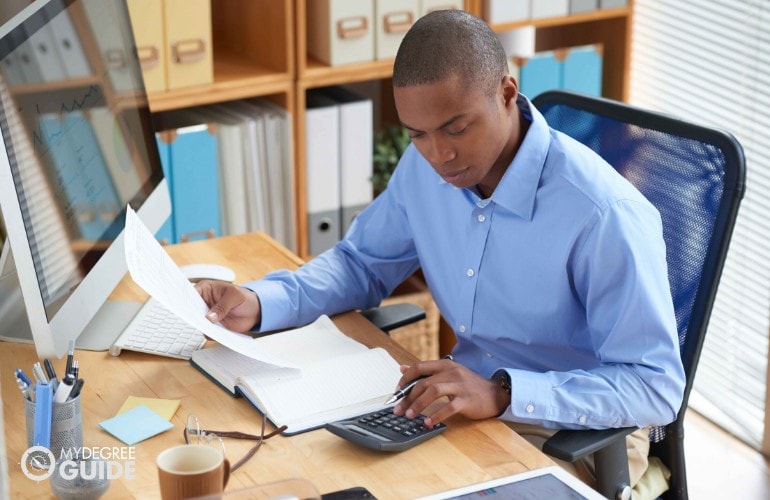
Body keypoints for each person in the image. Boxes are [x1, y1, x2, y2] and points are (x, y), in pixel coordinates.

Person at [196, 9, 685, 497]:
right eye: (418, 134)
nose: (438, 154)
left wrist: (504, 393)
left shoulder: (602, 214)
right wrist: (262, 302)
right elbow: (361, 263)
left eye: (455, 128)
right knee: (302, 475)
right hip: (462, 408)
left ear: (506, 93)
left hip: (572, 436)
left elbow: (654, 386)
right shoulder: (425, 167)